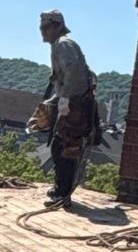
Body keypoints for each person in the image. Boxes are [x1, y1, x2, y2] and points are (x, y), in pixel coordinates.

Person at [38, 11, 100, 210]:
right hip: (75, 103)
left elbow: (73, 71)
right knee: (63, 146)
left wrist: (65, 99)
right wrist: (54, 100)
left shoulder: (63, 44)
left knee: (63, 147)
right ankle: (61, 190)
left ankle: (62, 193)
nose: (42, 31)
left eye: (45, 27)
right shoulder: (61, 45)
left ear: (56, 26)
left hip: (76, 106)